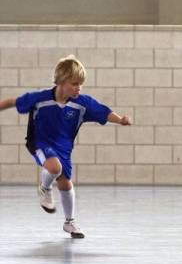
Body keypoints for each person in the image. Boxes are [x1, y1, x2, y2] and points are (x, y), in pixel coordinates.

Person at [0, 55, 131, 238]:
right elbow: (12, 102)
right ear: (61, 81)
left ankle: (69, 222)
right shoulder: (40, 98)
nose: (78, 88)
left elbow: (104, 112)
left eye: (81, 84)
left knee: (66, 184)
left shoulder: (82, 104)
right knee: (54, 167)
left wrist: (120, 120)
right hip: (39, 142)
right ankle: (44, 188)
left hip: (63, 149)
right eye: (75, 83)